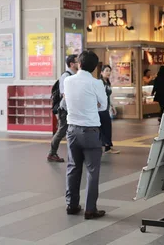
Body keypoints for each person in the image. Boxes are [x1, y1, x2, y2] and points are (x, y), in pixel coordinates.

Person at [64, 50, 107, 220]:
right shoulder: (96, 83)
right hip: (90, 131)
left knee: (73, 168)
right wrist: (91, 106)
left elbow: (68, 101)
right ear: (95, 68)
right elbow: (103, 106)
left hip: (72, 130)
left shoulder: (68, 81)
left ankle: (72, 205)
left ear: (79, 64)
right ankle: (90, 209)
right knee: (92, 170)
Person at [47, 54, 78, 163]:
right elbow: (64, 94)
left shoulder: (74, 75)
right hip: (65, 109)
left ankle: (75, 154)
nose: (79, 63)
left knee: (71, 131)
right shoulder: (66, 76)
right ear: (71, 64)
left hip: (71, 109)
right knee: (61, 131)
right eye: (77, 61)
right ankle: (52, 153)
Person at [99, 65, 119, 154]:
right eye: (106, 70)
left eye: (109, 71)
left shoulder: (107, 82)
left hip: (106, 108)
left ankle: (107, 147)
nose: (108, 72)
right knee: (104, 128)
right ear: (101, 72)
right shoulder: (100, 82)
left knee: (107, 127)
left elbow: (108, 96)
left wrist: (112, 106)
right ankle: (106, 146)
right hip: (100, 110)